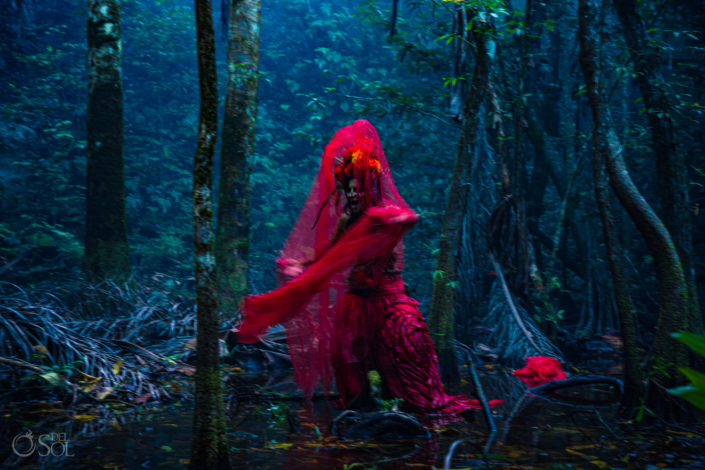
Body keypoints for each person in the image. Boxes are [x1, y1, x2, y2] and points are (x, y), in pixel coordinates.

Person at [231, 120, 484, 414]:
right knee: (346, 358)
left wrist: (383, 218)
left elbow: (410, 219)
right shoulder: (347, 220)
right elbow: (329, 253)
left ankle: (415, 417)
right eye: (346, 188)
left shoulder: (387, 215)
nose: (350, 194)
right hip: (357, 303)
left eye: (356, 187)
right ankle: (361, 412)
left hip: (389, 303)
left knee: (404, 351)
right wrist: (301, 264)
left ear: (369, 184)